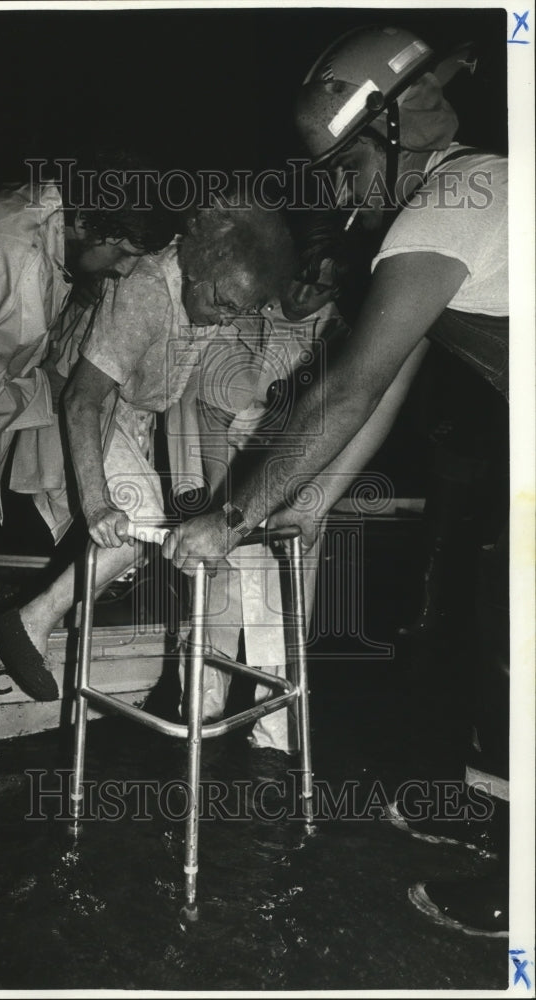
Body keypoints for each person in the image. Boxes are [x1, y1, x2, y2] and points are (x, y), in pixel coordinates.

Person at [162, 24, 509, 937]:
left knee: (514, 647)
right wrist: (309, 504)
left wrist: (235, 514)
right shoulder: (460, 192)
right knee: (491, 632)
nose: (341, 185)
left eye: (348, 160)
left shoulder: (448, 206)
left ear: (393, 130)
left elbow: (348, 387)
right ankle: (496, 814)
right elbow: (389, 380)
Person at [0, 170, 176, 904]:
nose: (121, 274)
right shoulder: (13, 247)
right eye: (120, 258)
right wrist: (54, 387)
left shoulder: (36, 236)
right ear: (98, 230)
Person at [0, 199, 299, 694]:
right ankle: (29, 621)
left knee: (138, 535)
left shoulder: (207, 296)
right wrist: (97, 503)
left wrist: (216, 510)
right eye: (223, 305)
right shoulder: (150, 293)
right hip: (75, 404)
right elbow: (81, 401)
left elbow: (189, 407)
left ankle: (38, 619)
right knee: (139, 524)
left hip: (127, 413)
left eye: (237, 313)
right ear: (200, 269)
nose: (223, 320)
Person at [179, 211, 351, 750]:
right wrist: (218, 496)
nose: (305, 295)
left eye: (323, 287)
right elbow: (206, 408)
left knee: (282, 606)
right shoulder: (249, 309)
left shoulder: (343, 331)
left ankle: (275, 734)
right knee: (215, 597)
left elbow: (342, 420)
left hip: (295, 483)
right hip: (228, 471)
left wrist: (311, 495)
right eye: (300, 279)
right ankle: (199, 712)